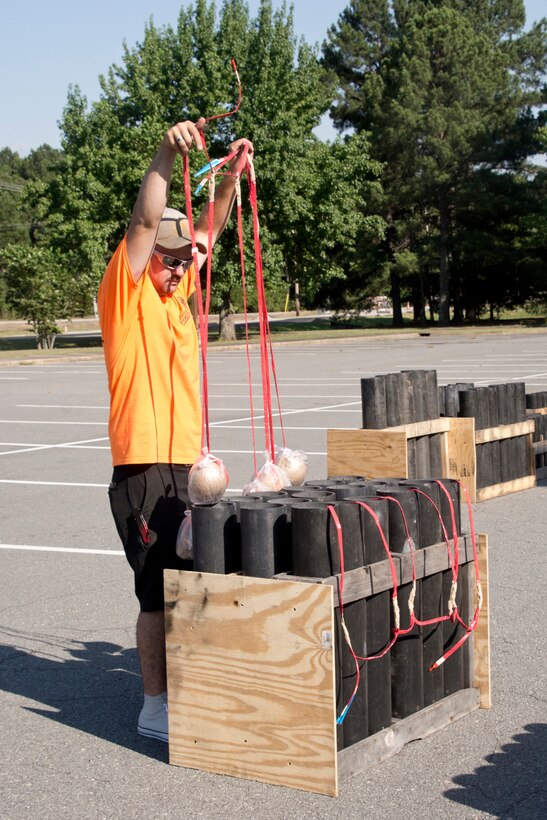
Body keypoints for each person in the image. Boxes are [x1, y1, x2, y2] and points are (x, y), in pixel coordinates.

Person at [98, 118, 252, 743]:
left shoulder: (175, 291)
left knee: (199, 578)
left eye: (188, 258)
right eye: (175, 257)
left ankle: (193, 689)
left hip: (189, 464)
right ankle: (153, 707)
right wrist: (166, 153)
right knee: (156, 595)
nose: (186, 263)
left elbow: (211, 228)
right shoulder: (126, 292)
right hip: (142, 467)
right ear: (147, 258)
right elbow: (142, 225)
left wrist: (231, 177)